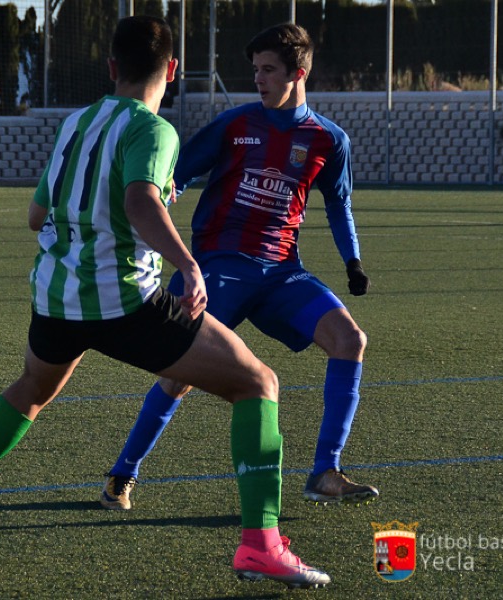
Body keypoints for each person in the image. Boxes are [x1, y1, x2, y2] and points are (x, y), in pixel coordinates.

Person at [0, 16, 330, 589]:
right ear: (173, 70)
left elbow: (36, 216)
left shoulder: (76, 123)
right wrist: (188, 265)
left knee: (31, 390)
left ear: (112, 68)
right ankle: (261, 545)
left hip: (55, 298)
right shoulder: (154, 130)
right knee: (258, 384)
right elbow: (140, 203)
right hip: (125, 303)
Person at [100, 22, 378, 512]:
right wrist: (164, 198)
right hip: (219, 269)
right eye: (255, 70)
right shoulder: (234, 125)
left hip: (281, 273)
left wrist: (352, 260)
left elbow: (339, 205)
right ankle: (122, 474)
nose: (258, 79)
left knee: (350, 340)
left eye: (268, 70)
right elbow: (176, 174)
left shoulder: (328, 140)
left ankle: (326, 472)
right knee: (179, 373)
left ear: (298, 73)